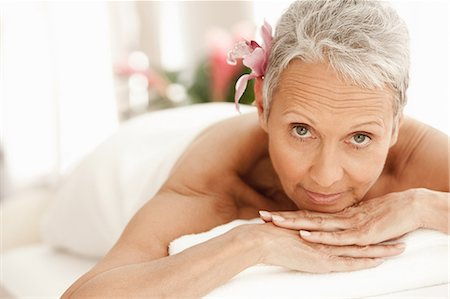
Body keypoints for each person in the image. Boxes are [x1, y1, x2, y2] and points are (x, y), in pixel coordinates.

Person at [62, 0, 449, 298]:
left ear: (396, 125)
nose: (326, 175)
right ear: (262, 106)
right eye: (302, 130)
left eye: (360, 138)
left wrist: (423, 206)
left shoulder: (413, 152)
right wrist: (251, 242)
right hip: (133, 155)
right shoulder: (219, 178)